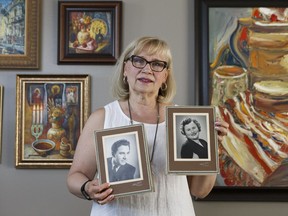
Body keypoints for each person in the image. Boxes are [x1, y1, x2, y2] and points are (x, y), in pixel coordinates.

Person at [67, 36, 229, 216]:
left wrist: (211, 149)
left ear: (165, 76)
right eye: (138, 61)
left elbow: (200, 191)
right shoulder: (102, 118)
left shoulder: (183, 121)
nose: (147, 69)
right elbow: (75, 176)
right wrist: (88, 188)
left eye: (157, 64)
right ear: (125, 69)